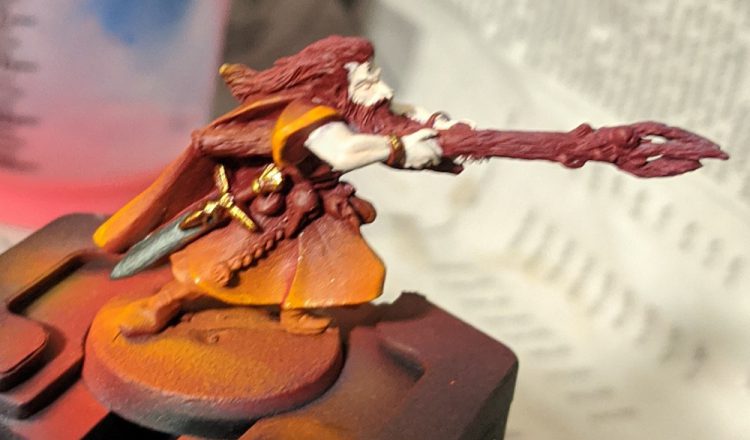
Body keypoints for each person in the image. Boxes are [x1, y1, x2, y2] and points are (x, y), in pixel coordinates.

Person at [93, 36, 468, 336]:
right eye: (366, 78)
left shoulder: (359, 110)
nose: (379, 86)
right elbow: (342, 152)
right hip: (272, 202)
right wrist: (397, 147)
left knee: (325, 267)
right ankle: (160, 304)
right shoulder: (314, 118)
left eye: (374, 74)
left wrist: (440, 126)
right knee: (219, 267)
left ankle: (294, 311)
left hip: (316, 206)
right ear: (337, 83)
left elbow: (400, 114)